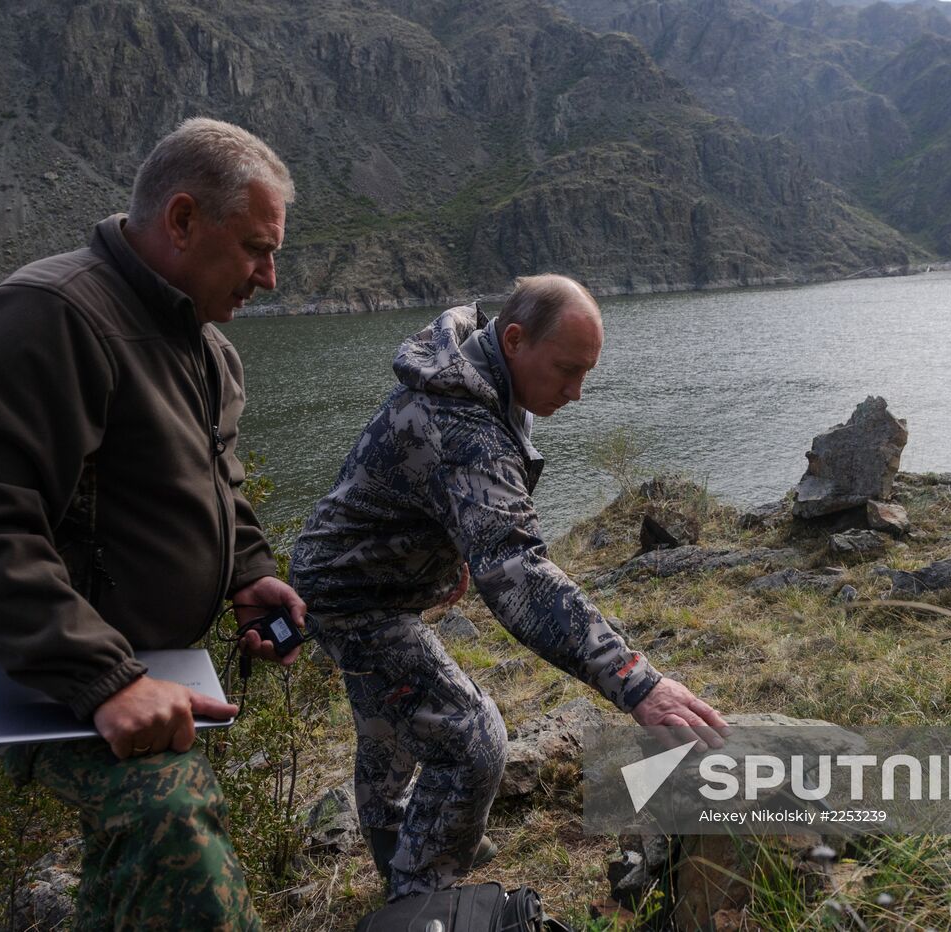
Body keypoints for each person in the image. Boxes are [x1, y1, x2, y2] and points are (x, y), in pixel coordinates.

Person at [0, 117, 306, 929]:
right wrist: (106, 680)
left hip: (147, 671)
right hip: (40, 674)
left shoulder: (206, 348)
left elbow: (216, 480)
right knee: (172, 823)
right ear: (183, 220)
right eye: (255, 249)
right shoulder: (45, 317)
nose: (269, 276)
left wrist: (246, 571)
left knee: (134, 879)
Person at [289, 274, 730, 900]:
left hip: (357, 574)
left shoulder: (480, 374)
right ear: (516, 339)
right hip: (352, 598)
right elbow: (519, 572)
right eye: (566, 371)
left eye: (586, 374)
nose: (575, 392)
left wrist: (452, 550)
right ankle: (422, 899)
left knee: (388, 720)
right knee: (472, 739)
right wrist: (635, 680)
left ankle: (404, 837)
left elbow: (432, 498)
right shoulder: (462, 420)